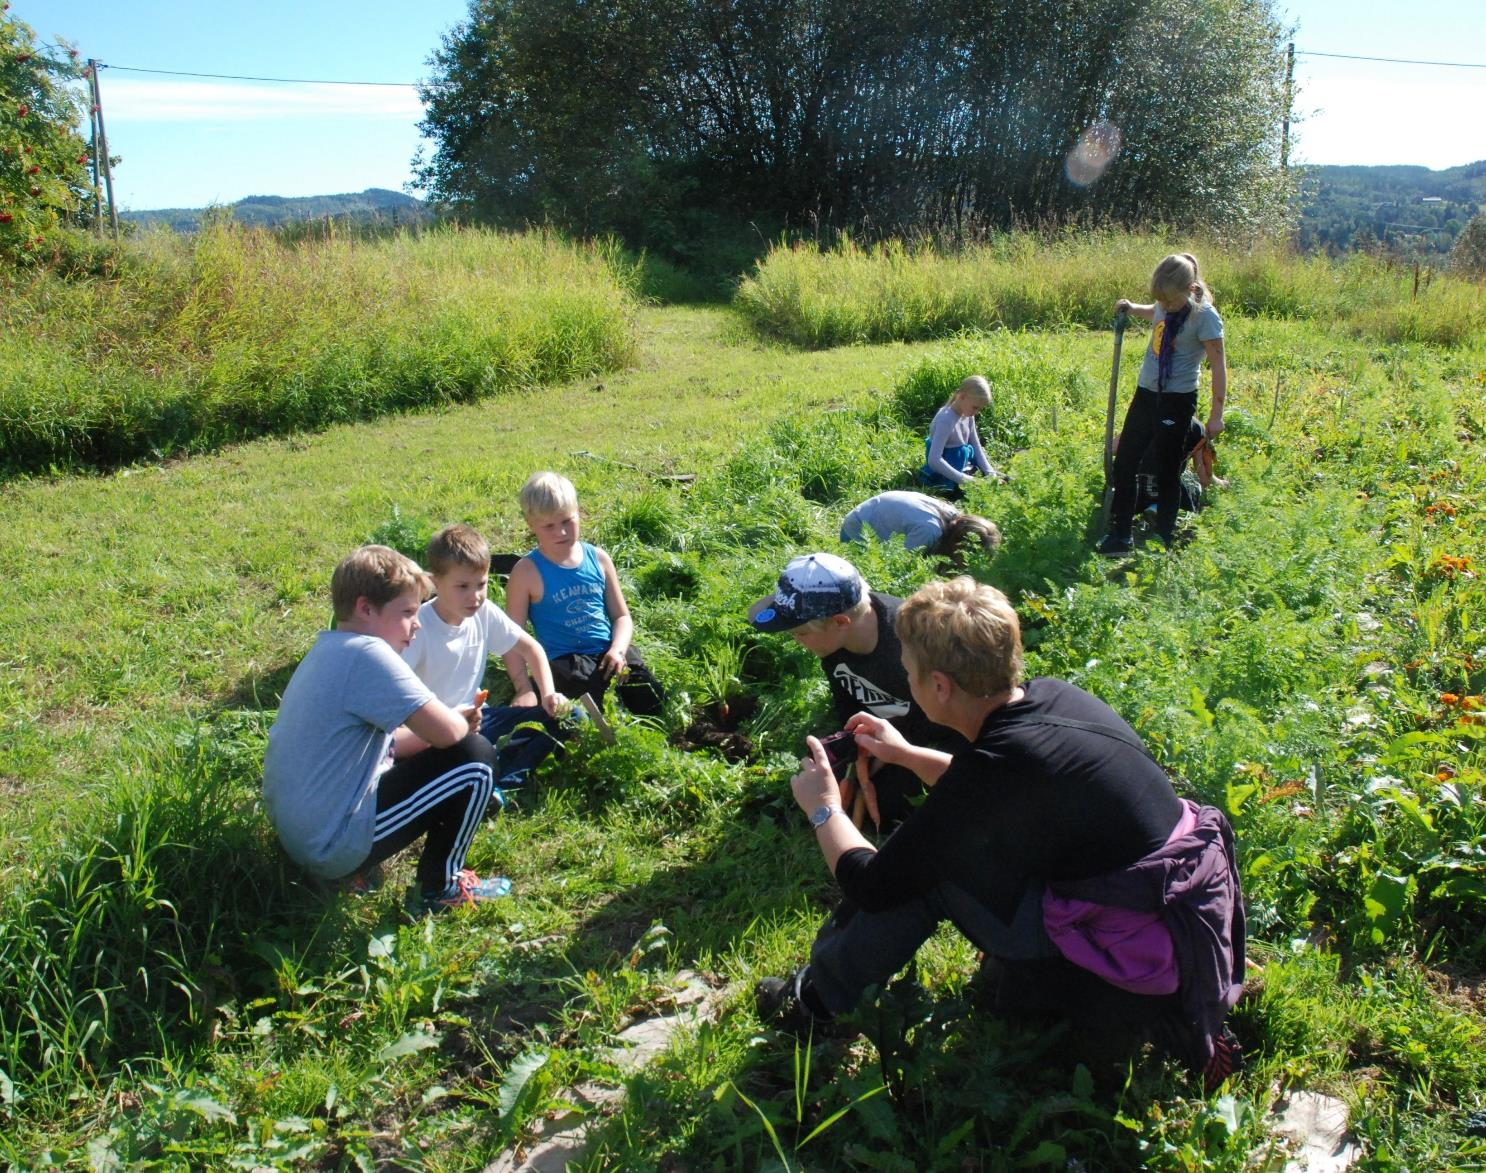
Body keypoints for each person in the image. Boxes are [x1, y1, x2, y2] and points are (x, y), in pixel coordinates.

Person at [756, 578, 1245, 1088]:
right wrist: (904, 754)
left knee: (925, 880)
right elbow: (1000, 791)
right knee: (946, 854)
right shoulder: (1054, 698)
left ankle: (814, 1003)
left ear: (939, 686)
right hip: (1167, 911)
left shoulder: (997, 766)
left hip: (1127, 958)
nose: (906, 680)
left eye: (909, 673)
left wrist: (823, 809)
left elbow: (873, 884)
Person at [262, 545, 511, 914]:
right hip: (328, 845)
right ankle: (441, 886)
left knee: (454, 753)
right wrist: (461, 720)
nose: (417, 623)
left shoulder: (328, 649)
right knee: (475, 759)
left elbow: (394, 741)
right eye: (408, 612)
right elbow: (448, 735)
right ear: (365, 608)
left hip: (300, 835)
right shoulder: (370, 655)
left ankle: (352, 873)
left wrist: (449, 724)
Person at [749, 553, 947, 830]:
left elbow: (939, 716)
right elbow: (847, 701)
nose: (797, 641)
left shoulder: (908, 645)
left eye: (802, 633)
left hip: (930, 731)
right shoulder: (832, 643)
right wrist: (856, 750)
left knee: (893, 802)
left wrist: (886, 750)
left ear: (841, 622)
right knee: (821, 779)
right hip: (882, 730)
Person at [402, 523, 565, 790]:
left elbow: (531, 649)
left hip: (477, 720)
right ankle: (489, 776)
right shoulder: (418, 629)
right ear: (434, 583)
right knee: (472, 750)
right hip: (433, 733)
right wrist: (445, 726)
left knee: (560, 717)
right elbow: (399, 698)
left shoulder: (483, 612)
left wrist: (548, 694)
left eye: (482, 584)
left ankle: (504, 785)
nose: (475, 596)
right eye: (463, 586)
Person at [505, 471, 665, 716]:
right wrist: (523, 687)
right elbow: (513, 637)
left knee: (650, 697)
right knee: (595, 702)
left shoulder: (598, 559)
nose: (561, 532)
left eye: (567, 521)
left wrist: (618, 649)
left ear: (578, 512)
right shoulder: (527, 572)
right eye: (549, 526)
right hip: (568, 661)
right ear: (531, 525)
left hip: (608, 651)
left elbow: (621, 616)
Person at [1097, 253, 1227, 555]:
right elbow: (1154, 311)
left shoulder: (1205, 317)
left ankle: (1164, 538)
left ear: (1190, 289)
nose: (1164, 308)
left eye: (1169, 302)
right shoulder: (1165, 302)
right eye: (1161, 301)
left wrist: (1217, 414)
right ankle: (1121, 536)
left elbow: (1219, 366)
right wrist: (1131, 308)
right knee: (1125, 461)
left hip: (1176, 400)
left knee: (1168, 471)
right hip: (1146, 393)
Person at [839, 490, 1001, 566]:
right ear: (960, 546)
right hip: (856, 529)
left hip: (874, 511)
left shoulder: (953, 517)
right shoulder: (929, 532)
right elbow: (897, 565)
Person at [918, 375, 1003, 498]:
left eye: (979, 409)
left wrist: (990, 472)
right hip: (944, 475)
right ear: (962, 396)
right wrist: (967, 480)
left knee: (997, 481)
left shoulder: (967, 415)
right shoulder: (946, 419)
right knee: (975, 494)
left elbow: (976, 445)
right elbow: (934, 460)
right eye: (975, 407)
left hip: (961, 466)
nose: (976, 412)